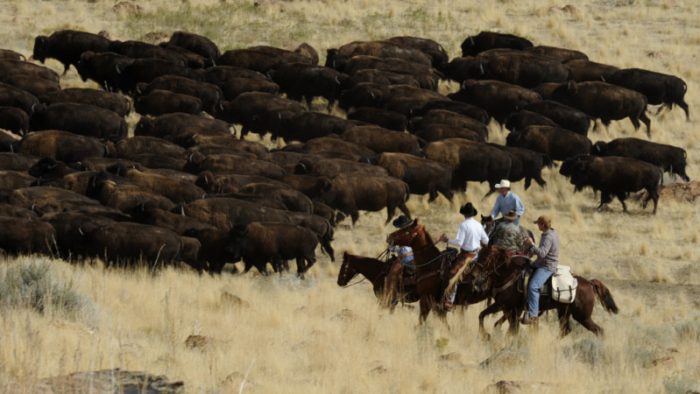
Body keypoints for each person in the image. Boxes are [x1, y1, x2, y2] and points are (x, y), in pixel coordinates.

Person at [437, 202, 489, 309]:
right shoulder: (478, 225)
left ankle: (449, 301)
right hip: (477, 255)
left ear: (464, 214)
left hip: (466, 256)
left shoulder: (463, 225)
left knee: (452, 274)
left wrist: (447, 240)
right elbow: (486, 240)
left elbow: (459, 243)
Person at [522, 215, 560, 325]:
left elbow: (542, 253)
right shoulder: (551, 232)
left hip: (547, 266)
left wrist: (531, 244)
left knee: (533, 286)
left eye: (538, 224)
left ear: (543, 225)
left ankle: (533, 316)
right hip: (542, 263)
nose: (537, 225)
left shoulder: (548, 237)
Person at [385, 215, 415, 306]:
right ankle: (393, 296)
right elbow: (393, 248)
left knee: (393, 273)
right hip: (403, 258)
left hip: (410, 258)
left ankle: (393, 298)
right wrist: (390, 245)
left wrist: (407, 254)